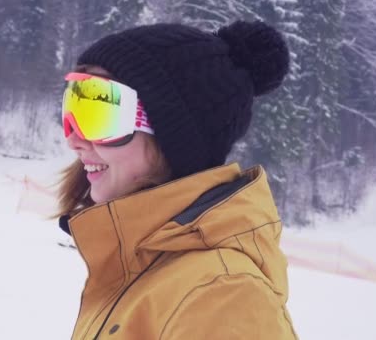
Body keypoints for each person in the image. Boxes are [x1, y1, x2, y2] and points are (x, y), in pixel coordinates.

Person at [56, 20, 297, 339]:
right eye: (74, 104)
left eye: (100, 114)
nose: (74, 139)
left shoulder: (221, 297)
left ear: (175, 138)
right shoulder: (140, 268)